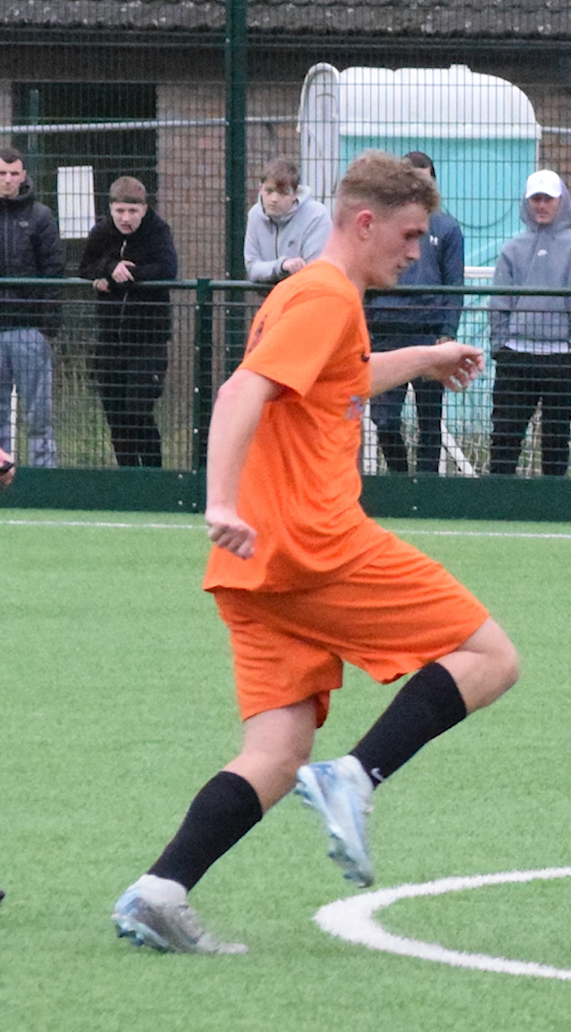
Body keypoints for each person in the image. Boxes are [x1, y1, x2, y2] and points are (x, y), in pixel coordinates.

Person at [110, 151, 521, 955]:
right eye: (407, 235)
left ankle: (159, 890)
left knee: (274, 750)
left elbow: (343, 379)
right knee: (492, 655)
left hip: (255, 567)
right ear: (363, 222)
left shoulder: (319, 298)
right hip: (312, 543)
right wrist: (218, 500)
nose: (416, 251)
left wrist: (429, 356)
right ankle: (354, 776)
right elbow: (240, 392)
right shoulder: (328, 295)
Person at [486, 170, 571, 477]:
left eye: (548, 199)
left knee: (556, 437)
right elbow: (499, 302)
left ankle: (555, 502)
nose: (542, 205)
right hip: (516, 356)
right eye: (536, 198)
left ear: (561, 201)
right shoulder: (512, 249)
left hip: (561, 356)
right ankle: (500, 496)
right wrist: (502, 346)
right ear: (527, 202)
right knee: (505, 434)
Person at [366, 151, 467, 475]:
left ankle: (425, 486)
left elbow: (454, 285)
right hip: (386, 330)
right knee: (384, 420)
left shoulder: (447, 228)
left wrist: (447, 333)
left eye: (426, 179)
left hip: (427, 332)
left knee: (429, 420)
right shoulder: (382, 226)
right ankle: (398, 476)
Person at [77, 175, 179, 468]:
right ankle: (126, 474)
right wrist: (109, 268)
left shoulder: (158, 231)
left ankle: (151, 475)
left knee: (138, 409)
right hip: (110, 339)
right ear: (111, 208)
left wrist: (131, 275)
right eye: (120, 211)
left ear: (144, 209)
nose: (126, 218)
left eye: (132, 211)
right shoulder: (101, 232)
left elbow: (167, 269)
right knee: (115, 412)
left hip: (148, 339)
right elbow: (85, 267)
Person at [0, 145, 63, 469]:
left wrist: (46, 327)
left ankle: (44, 478)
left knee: (38, 413)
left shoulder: (40, 216)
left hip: (29, 330)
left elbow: (54, 271)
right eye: (2, 174)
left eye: (14, 173)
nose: (8, 180)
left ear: (23, 175)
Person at [243, 160, 330, 284]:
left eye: (283, 193)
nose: (274, 199)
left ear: (295, 194)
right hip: (271, 298)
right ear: (260, 189)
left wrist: (270, 270)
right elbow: (252, 268)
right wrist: (282, 266)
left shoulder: (316, 215)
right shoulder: (254, 215)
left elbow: (315, 272)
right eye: (269, 190)